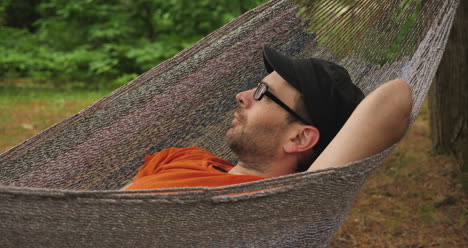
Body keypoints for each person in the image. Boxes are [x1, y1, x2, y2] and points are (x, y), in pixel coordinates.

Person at [124, 46, 412, 190]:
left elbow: (395, 96)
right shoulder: (180, 156)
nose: (241, 95)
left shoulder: (265, 211)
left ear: (299, 137)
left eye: (263, 92)